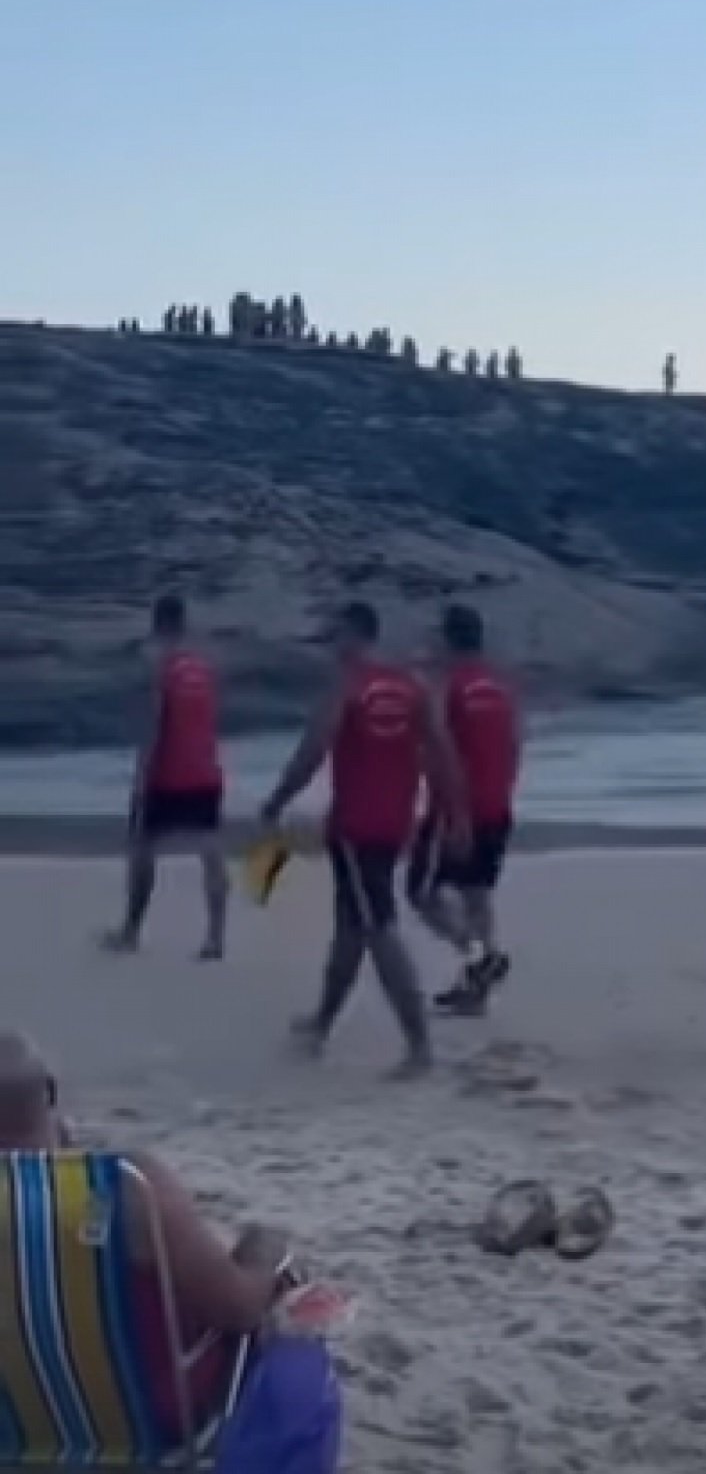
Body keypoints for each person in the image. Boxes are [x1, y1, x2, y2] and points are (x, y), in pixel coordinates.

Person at [0, 1031, 290, 1435]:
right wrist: (266, 1249)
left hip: (12, 1427)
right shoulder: (124, 1185)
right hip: (147, 1421)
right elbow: (238, 1310)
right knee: (286, 1323)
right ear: (49, 1094)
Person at [260, 601, 466, 1077]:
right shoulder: (412, 686)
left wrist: (276, 801)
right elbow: (443, 754)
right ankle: (321, 1026)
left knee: (378, 929)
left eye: (335, 636)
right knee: (351, 928)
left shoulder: (348, 686)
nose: (331, 646)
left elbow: (314, 748)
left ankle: (419, 1047)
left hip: (355, 828)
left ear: (355, 635)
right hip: (395, 824)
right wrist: (456, 817)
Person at [407, 604, 522, 1016]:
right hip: (498, 802)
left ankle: (478, 958)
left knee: (421, 893)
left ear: (446, 639)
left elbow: (442, 752)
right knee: (477, 891)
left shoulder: (448, 688)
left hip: (456, 807)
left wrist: (454, 813)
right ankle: (479, 980)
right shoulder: (500, 685)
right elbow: (514, 745)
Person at [103, 595, 228, 961]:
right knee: (211, 854)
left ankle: (130, 932)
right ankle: (216, 938)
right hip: (206, 772)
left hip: (169, 777)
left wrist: (140, 784)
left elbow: (154, 730)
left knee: (143, 851)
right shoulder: (204, 668)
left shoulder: (162, 669)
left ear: (158, 625)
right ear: (183, 623)